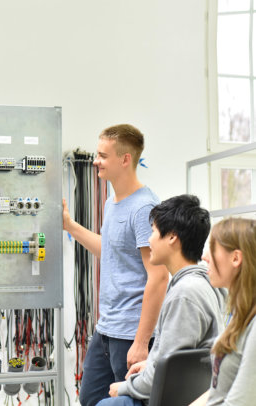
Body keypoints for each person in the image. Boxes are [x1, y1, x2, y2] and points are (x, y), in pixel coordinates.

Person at [63, 124, 169, 406]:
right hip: (106, 329)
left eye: (102, 155)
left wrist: (140, 341)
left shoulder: (143, 207)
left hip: (130, 333)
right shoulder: (112, 202)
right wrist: (70, 226)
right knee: (90, 401)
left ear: (125, 159)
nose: (96, 161)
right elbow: (110, 251)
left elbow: (158, 278)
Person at [96, 194, 227, 406]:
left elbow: (167, 375)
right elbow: (176, 359)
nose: (149, 240)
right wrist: (149, 364)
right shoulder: (205, 284)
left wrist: (124, 387)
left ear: (172, 237)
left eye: (154, 232)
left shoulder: (185, 293)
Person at [189, 218, 256, 406]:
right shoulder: (239, 315)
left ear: (235, 258)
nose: (204, 257)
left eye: (213, 248)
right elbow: (218, 390)